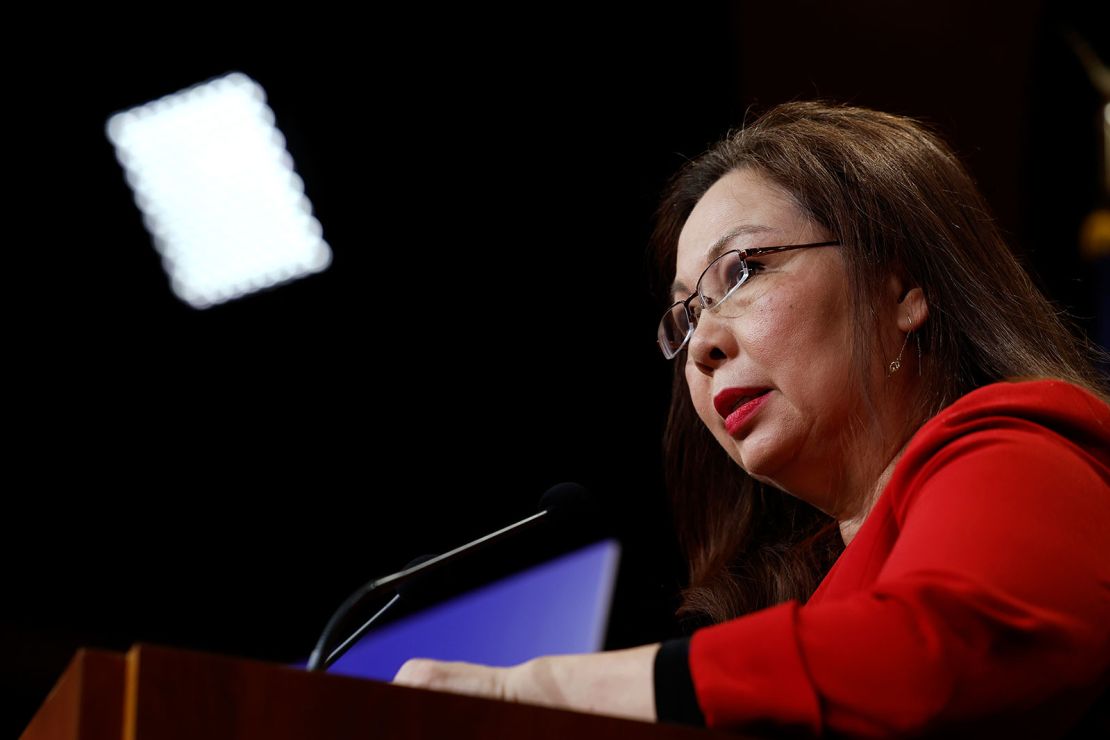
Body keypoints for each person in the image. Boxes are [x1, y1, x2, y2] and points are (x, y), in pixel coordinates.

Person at [393, 101, 1110, 736]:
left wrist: (535, 691)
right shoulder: (803, 596)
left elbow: (937, 653)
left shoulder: (1024, 445)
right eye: (686, 312)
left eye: (742, 271)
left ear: (902, 287)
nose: (701, 344)